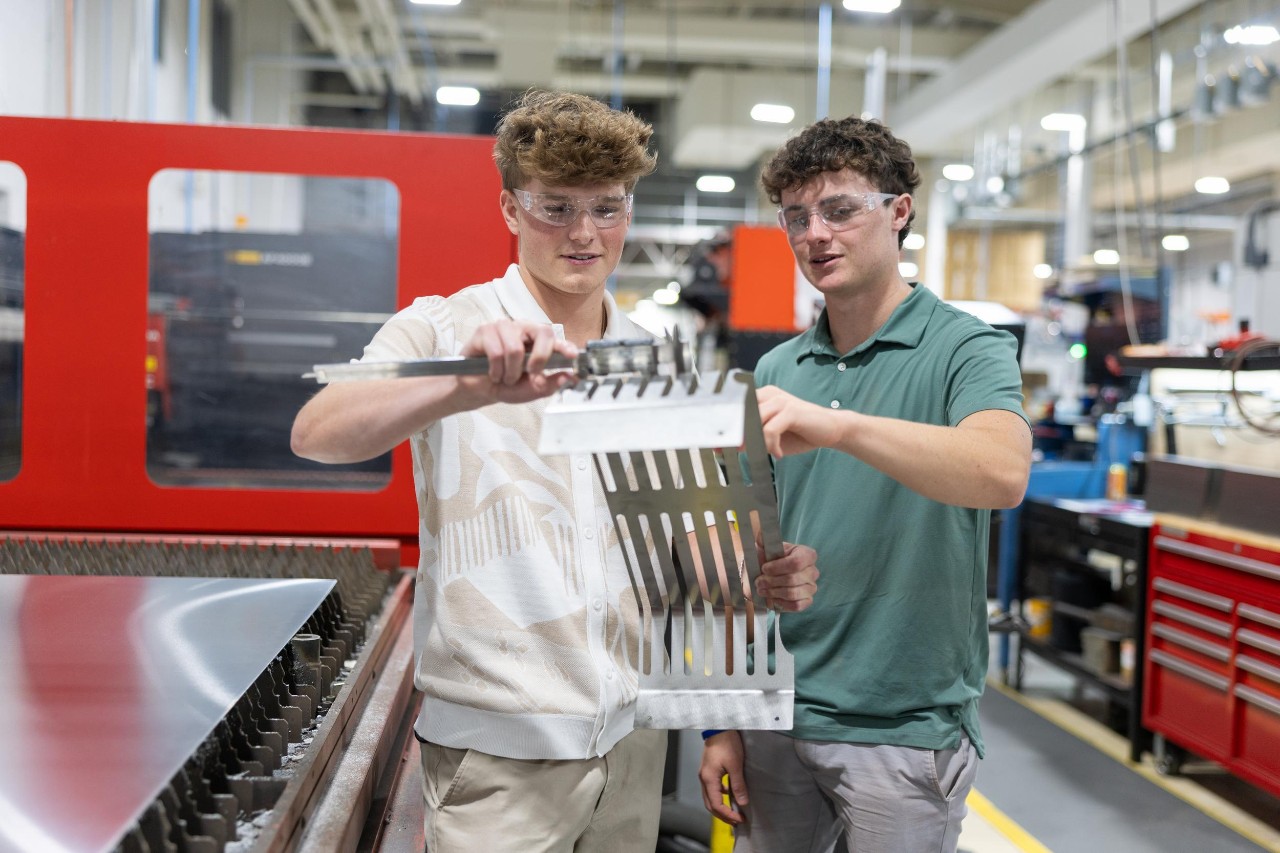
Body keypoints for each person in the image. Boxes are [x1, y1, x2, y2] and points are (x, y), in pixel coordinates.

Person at [291, 89, 818, 853]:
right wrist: (464, 384)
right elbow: (319, 431)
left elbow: (688, 554)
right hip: (498, 755)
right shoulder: (445, 327)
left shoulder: (652, 359)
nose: (584, 233)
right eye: (556, 207)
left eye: (607, 208)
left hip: (631, 746)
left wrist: (754, 582)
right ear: (510, 207)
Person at [698, 116, 1032, 853]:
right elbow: (742, 542)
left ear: (898, 211)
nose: (815, 234)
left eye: (840, 209)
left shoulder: (965, 348)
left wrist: (839, 425)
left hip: (902, 726)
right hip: (778, 714)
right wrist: (722, 718)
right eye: (797, 217)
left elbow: (1002, 471)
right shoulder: (781, 369)